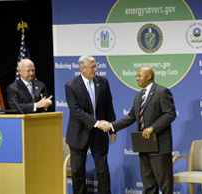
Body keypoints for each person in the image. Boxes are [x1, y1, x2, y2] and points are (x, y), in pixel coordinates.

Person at [99, 66, 176, 194]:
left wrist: (153, 128)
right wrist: (111, 126)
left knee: (165, 184)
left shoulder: (162, 92)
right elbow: (131, 117)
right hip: (144, 145)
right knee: (148, 184)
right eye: (137, 76)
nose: (137, 78)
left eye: (140, 76)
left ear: (149, 77)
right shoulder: (138, 96)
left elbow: (170, 114)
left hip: (159, 146)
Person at [65, 55, 116, 194]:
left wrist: (112, 129)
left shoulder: (103, 82)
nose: (95, 69)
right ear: (83, 69)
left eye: (95, 66)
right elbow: (76, 111)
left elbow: (108, 106)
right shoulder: (71, 86)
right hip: (78, 133)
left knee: (103, 169)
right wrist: (96, 123)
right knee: (78, 171)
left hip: (99, 134)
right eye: (92, 67)